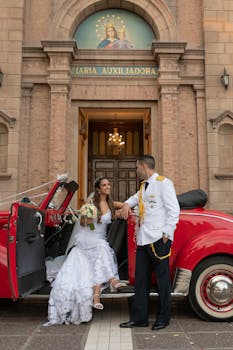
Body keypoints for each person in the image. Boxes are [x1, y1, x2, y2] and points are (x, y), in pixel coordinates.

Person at [44, 177, 126, 326]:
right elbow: (83, 224)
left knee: (99, 256)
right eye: (104, 185)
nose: (108, 187)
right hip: (88, 237)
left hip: (99, 239)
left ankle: (96, 297)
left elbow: (126, 205)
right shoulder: (90, 204)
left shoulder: (111, 204)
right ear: (98, 189)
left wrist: (125, 208)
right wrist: (87, 220)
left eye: (108, 184)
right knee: (102, 248)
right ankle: (111, 279)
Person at [119, 155, 180, 330]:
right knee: (141, 280)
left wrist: (167, 234)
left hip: (158, 239)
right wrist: (125, 205)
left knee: (162, 281)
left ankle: (163, 318)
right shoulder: (143, 186)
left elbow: (173, 209)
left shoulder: (163, 183)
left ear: (143, 166)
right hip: (144, 239)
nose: (136, 171)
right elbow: (134, 199)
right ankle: (139, 318)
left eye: (137, 167)